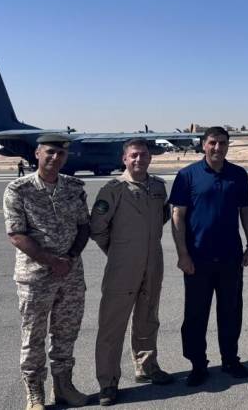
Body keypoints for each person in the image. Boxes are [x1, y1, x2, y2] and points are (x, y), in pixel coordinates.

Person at [3, 134, 91, 410]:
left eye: (61, 154)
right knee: (33, 336)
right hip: (35, 277)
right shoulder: (19, 190)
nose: (55, 157)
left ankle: (63, 386)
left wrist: (70, 258)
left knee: (67, 332)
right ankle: (35, 392)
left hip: (71, 274)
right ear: (37, 153)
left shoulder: (74, 188)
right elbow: (16, 234)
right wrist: (52, 262)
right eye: (50, 152)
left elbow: (84, 227)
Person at [168, 126, 248, 386]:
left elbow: (246, 210)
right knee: (195, 314)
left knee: (230, 311)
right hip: (198, 259)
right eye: (213, 143)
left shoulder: (238, 175)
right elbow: (177, 216)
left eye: (223, 143)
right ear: (203, 144)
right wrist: (183, 254)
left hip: (230, 257)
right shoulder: (187, 175)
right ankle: (197, 364)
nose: (218, 148)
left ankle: (230, 359)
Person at [90, 139, 174, 406]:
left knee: (148, 318)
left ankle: (146, 366)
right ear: (124, 159)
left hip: (153, 262)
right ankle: (108, 381)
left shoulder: (158, 187)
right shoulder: (113, 189)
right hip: (123, 266)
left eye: (144, 155)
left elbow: (162, 217)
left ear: (150, 158)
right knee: (112, 325)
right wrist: (117, 251)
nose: (139, 159)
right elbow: (97, 227)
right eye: (134, 155)